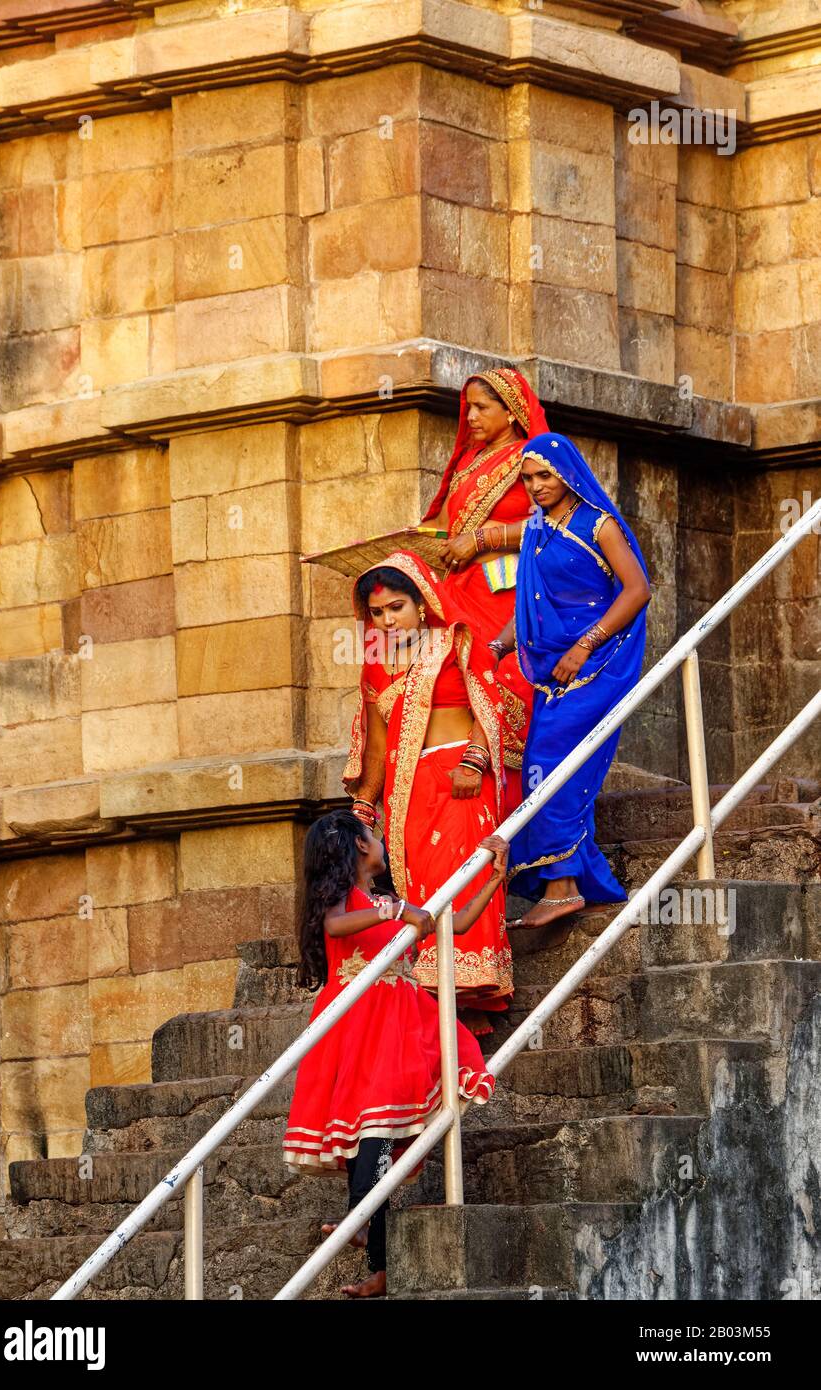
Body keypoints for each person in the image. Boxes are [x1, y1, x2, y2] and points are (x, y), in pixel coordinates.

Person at [282, 809, 505, 1298]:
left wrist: (493, 875)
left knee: (378, 1136)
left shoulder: (386, 900)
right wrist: (396, 911)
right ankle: (365, 1229)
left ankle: (367, 1237)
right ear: (360, 847)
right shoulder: (349, 900)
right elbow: (336, 926)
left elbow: (457, 922)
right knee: (371, 1134)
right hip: (360, 1026)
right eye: (374, 835)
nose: (382, 842)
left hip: (401, 1026)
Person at [342, 549, 512, 1034]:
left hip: (462, 781)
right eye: (377, 612)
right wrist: (363, 810)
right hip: (408, 794)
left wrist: (474, 760)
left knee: (465, 875)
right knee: (425, 888)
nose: (388, 620)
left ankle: (474, 992)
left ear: (421, 604)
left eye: (397, 607)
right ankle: (438, 994)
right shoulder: (375, 669)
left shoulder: (455, 643)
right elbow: (376, 750)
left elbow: (489, 704)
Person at [490, 432, 652, 935]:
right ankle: (575, 882)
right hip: (553, 668)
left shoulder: (597, 524)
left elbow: (638, 590)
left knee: (550, 762)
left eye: (545, 475)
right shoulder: (538, 529)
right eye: (528, 478)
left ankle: (562, 888)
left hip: (600, 661)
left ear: (568, 473)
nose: (536, 486)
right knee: (546, 764)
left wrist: (585, 644)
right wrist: (496, 647)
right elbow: (530, 604)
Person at [421, 367, 549, 812]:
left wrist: (486, 538)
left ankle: (507, 801)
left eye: (481, 407)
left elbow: (551, 525)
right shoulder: (466, 465)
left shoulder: (531, 459)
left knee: (497, 678)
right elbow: (440, 528)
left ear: (512, 412)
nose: (470, 417)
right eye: (468, 407)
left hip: (504, 595)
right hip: (458, 591)